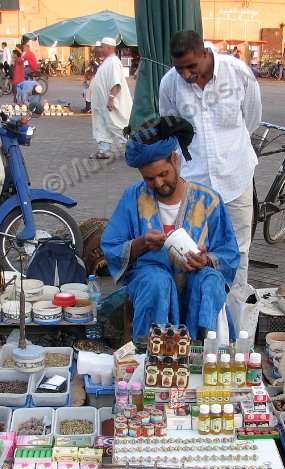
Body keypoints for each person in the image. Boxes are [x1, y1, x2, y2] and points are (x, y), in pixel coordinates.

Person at [100, 117, 240, 340]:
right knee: (157, 282)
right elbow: (111, 247)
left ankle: (202, 352)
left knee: (210, 281)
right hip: (150, 280)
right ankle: (151, 355)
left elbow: (230, 253)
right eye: (149, 178)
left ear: (174, 159)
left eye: (163, 174)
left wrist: (206, 260)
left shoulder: (209, 200)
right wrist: (143, 243)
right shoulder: (132, 199)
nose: (157, 183)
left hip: (195, 278)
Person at [159, 29, 261, 287]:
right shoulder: (169, 84)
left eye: (191, 66)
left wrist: (229, 151)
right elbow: (170, 130)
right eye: (179, 68)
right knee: (191, 251)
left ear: (205, 53)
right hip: (194, 183)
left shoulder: (237, 73)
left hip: (236, 177)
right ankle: (197, 318)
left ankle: (235, 320)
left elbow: (251, 118)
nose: (186, 74)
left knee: (238, 251)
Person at [90, 37, 133, 160]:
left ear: (108, 47)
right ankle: (103, 150)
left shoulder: (114, 62)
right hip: (101, 104)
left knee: (117, 126)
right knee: (101, 125)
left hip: (110, 103)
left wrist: (111, 98)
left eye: (102, 46)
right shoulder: (107, 61)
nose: (100, 49)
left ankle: (134, 148)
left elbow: (116, 82)